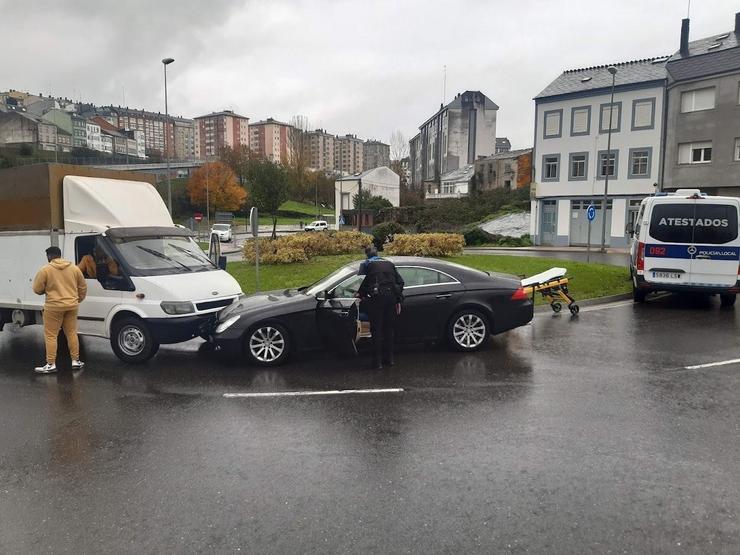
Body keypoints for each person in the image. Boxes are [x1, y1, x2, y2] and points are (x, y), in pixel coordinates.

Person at [32, 246, 88, 373]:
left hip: (53, 307)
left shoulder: (45, 270)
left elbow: (37, 289)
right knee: (72, 333)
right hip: (72, 305)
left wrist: (46, 290)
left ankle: (51, 364)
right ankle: (76, 361)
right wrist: (77, 300)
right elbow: (83, 287)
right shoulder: (74, 268)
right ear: (60, 255)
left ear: (49, 256)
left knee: (51, 335)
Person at [357, 246, 404, 370]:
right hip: (391, 299)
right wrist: (398, 299)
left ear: (367, 255)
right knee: (389, 330)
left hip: (377, 300)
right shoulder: (389, 263)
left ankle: (377, 363)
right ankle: (389, 359)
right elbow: (400, 282)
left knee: (376, 330)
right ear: (378, 254)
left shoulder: (367, 264)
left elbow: (362, 282)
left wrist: (360, 294)